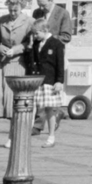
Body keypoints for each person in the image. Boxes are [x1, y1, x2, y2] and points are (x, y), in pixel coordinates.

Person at [0, 0, 34, 150]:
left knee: (13, 103)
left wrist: (16, 50)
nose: (12, 12)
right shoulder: (1, 20)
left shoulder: (29, 22)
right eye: (10, 9)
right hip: (0, 65)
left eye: (15, 10)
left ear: (21, 7)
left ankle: (12, 137)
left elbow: (30, 43)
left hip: (17, 65)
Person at [31, 17, 69, 149]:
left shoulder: (56, 44)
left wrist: (59, 81)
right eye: (33, 33)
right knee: (35, 107)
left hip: (50, 81)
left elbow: (60, 64)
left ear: (45, 30)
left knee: (49, 109)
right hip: (38, 80)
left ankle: (51, 136)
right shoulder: (36, 43)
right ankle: (29, 130)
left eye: (37, 33)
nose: (35, 36)